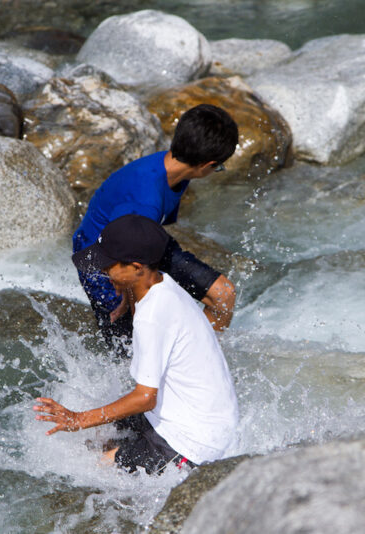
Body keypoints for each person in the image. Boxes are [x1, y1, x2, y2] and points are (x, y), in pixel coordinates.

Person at [36, 214, 239, 474]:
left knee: (96, 469)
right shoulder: (162, 283)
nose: (102, 270)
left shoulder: (152, 317)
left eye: (109, 265)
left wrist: (78, 419)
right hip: (201, 419)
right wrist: (127, 292)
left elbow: (145, 398)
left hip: (195, 443)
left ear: (136, 267)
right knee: (95, 439)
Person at [72, 104, 238, 351]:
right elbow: (122, 253)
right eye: (219, 167)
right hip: (104, 261)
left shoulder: (174, 171)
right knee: (138, 342)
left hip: (140, 239)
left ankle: (194, 361)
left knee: (222, 295)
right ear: (207, 164)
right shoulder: (146, 199)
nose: (216, 171)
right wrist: (129, 299)